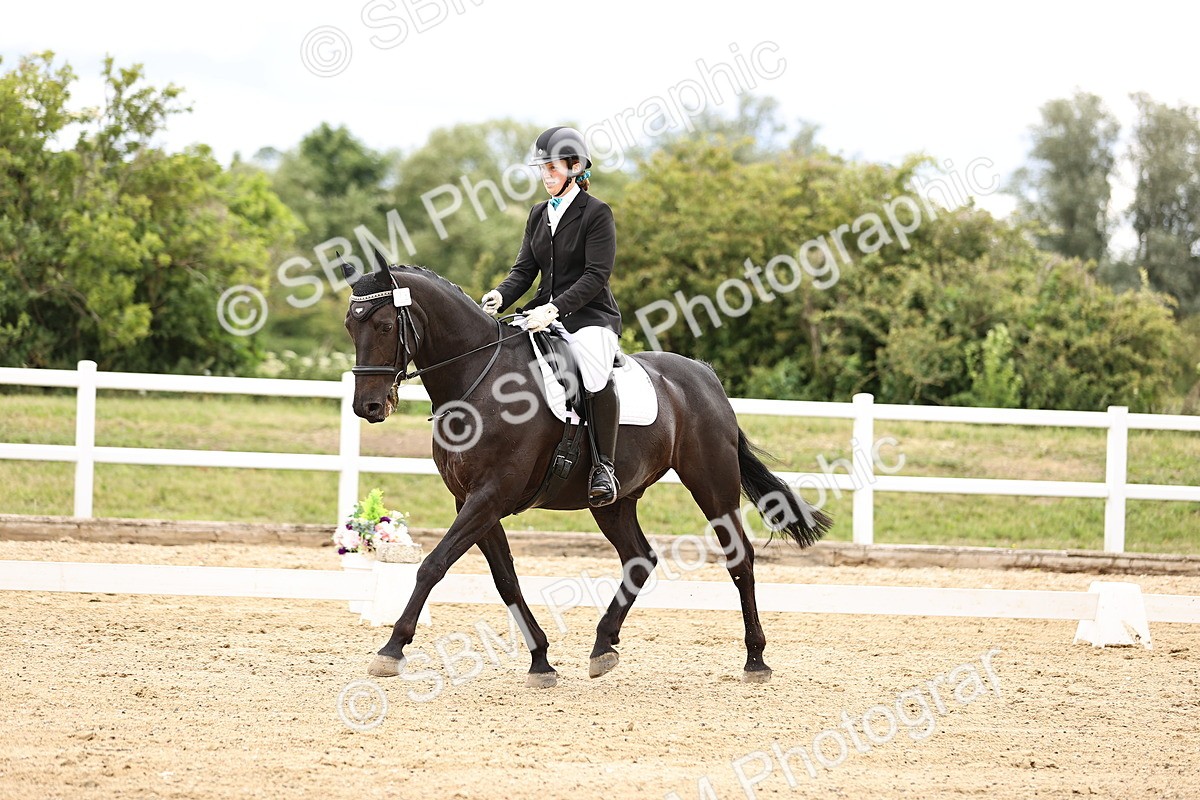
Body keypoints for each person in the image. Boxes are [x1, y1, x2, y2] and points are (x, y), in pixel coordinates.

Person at [481, 126, 622, 507]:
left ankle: (603, 468)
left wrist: (556, 308)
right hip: (540, 314)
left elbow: (596, 275)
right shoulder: (538, 214)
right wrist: (500, 295)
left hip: (590, 317)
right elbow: (524, 271)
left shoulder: (596, 214)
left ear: (575, 167)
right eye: (542, 168)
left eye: (553, 168)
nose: (546, 175)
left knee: (593, 373)